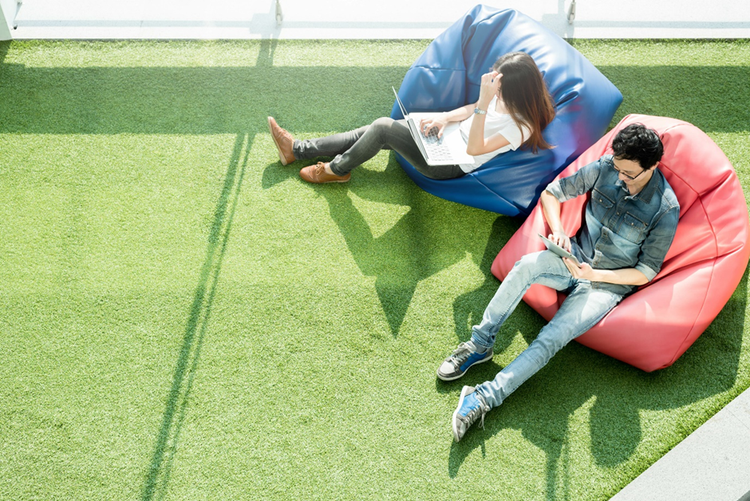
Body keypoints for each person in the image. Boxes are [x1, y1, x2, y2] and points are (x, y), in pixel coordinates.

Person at [439, 123, 680, 442]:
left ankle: (482, 398)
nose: (620, 177)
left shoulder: (665, 208)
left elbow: (645, 272)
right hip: (574, 256)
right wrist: (559, 232)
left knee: (554, 337)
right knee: (526, 265)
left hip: (606, 286)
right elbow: (553, 193)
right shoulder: (606, 167)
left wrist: (595, 276)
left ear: (652, 166)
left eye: (629, 174)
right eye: (618, 168)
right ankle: (480, 344)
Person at [267, 51, 555, 184]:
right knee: (374, 129)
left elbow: (475, 149)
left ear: (519, 92)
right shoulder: (502, 97)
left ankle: (337, 170)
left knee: (381, 128)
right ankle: (296, 150)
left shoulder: (522, 126)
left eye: (500, 88)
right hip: (446, 138)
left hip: (450, 164)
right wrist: (444, 118)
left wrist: (483, 103)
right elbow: (468, 111)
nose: (495, 91)